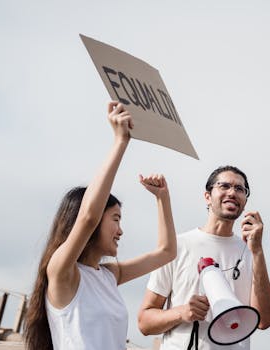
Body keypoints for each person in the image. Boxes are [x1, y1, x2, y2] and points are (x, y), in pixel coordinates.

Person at [24, 101, 177, 350]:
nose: (120, 230)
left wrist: (163, 198)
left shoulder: (108, 275)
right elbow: (88, 218)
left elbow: (167, 252)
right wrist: (120, 142)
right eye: (115, 219)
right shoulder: (62, 273)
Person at [138, 166, 270, 350]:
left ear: (245, 201)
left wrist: (257, 251)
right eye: (224, 186)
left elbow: (264, 320)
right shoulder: (177, 246)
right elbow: (144, 322)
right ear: (207, 197)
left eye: (240, 189)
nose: (232, 192)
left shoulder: (251, 252)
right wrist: (182, 312)